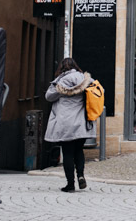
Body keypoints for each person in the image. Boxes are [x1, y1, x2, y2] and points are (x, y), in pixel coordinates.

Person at [45, 58, 96, 192]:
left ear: (62, 68)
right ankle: (80, 175)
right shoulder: (85, 79)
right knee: (79, 150)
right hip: (82, 123)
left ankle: (70, 184)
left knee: (67, 153)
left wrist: (59, 91)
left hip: (66, 123)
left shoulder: (61, 81)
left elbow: (49, 97)